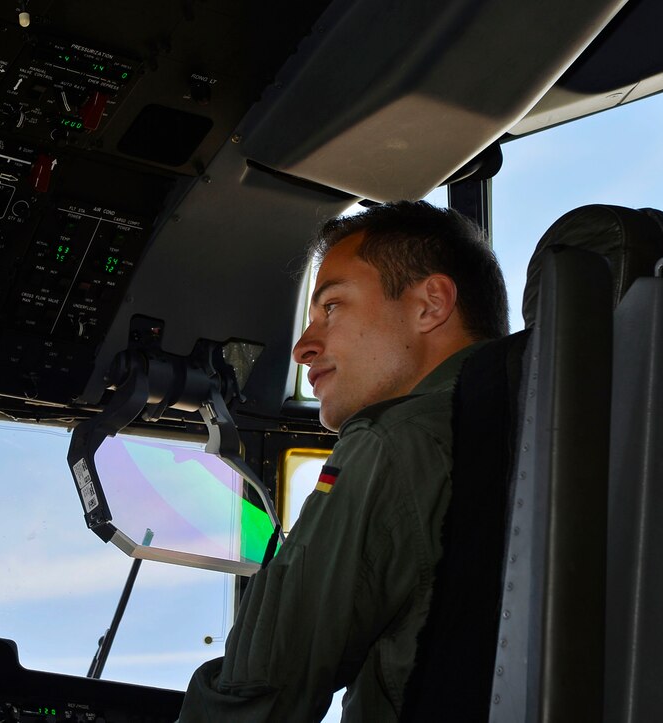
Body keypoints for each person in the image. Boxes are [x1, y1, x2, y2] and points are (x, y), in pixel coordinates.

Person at [178, 201, 509, 722]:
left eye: (331, 307)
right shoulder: (545, 425)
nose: (303, 347)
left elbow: (264, 688)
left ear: (431, 304)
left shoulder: (395, 439)